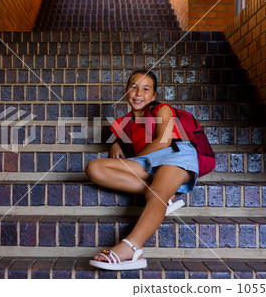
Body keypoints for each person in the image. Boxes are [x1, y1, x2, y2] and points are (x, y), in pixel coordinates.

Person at [85, 69, 199, 271]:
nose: (139, 93)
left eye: (146, 89)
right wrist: (116, 144)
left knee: (158, 192)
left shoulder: (162, 109)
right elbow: (129, 139)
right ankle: (165, 195)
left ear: (153, 95)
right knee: (94, 168)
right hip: (147, 163)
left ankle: (132, 247)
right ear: (126, 90)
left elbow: (163, 142)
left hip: (175, 155)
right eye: (134, 87)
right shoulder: (123, 123)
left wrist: (131, 160)